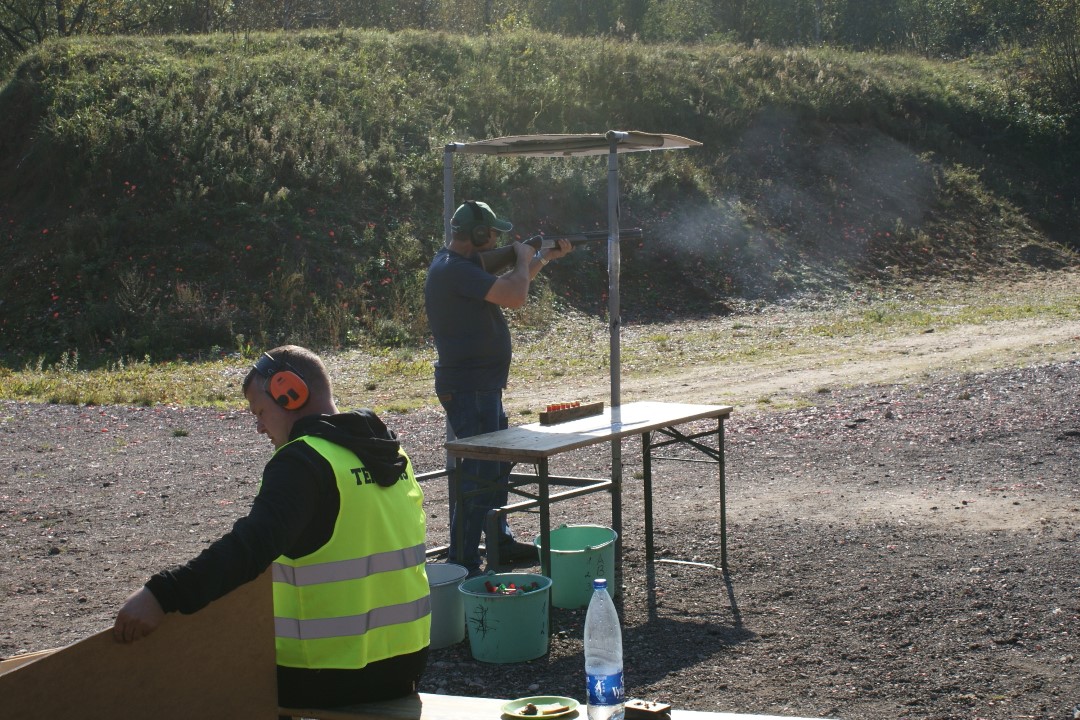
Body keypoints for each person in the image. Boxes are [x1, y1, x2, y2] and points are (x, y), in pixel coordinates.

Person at [112, 345, 430, 710]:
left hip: (325, 673)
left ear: (289, 392)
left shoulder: (304, 461)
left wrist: (162, 594)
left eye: (260, 411)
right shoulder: (392, 453)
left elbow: (251, 547)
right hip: (405, 663)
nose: (260, 426)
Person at [424, 199, 573, 575]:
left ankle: (499, 542)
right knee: (480, 473)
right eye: (491, 234)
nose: (495, 241)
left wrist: (542, 258)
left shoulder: (456, 266)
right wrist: (522, 257)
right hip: (471, 388)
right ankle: (462, 560)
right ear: (477, 234)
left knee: (494, 468)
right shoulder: (455, 269)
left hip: (481, 387)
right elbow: (515, 295)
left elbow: (510, 286)